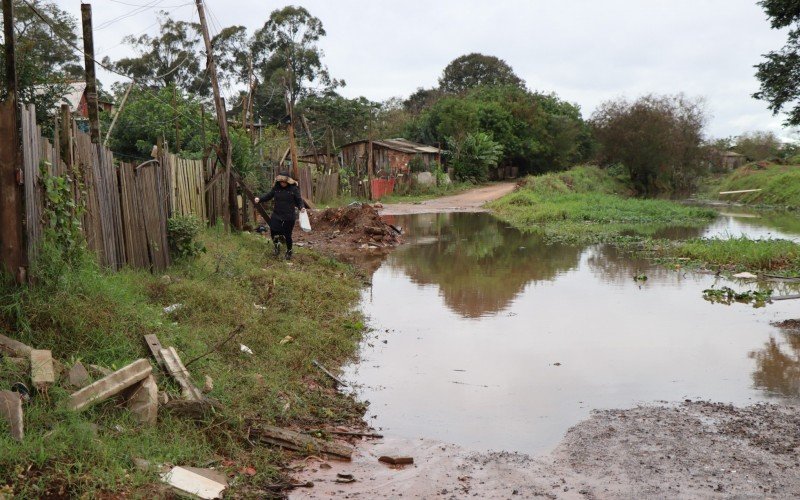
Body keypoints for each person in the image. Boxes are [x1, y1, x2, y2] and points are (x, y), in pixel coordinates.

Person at [254, 172, 305, 259]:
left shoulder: (293, 189)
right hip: (277, 214)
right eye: (281, 182)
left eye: (284, 182)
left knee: (287, 234)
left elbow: (299, 200)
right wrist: (260, 199)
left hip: (289, 215)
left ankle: (289, 251)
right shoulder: (276, 188)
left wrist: (302, 207)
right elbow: (268, 196)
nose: (282, 183)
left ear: (288, 181)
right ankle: (276, 247)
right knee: (273, 231)